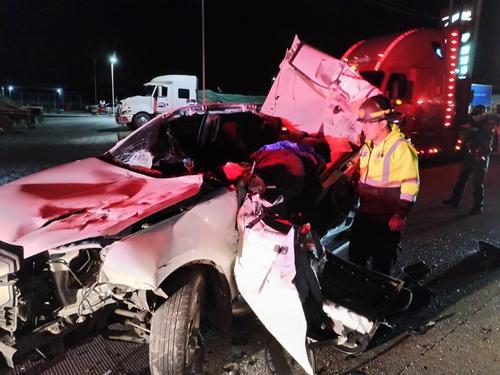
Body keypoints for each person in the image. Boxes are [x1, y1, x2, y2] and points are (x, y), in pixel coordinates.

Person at [348, 95, 420, 275]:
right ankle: (359, 297)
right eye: (363, 123)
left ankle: (380, 300)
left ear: (382, 123)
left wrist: (400, 214)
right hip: (365, 212)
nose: (364, 127)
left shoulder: (400, 147)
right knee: (356, 258)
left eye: (368, 123)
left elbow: (410, 185)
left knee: (382, 264)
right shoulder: (368, 146)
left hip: (387, 218)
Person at [443, 104, 498, 214]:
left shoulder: (488, 125)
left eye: (478, 114)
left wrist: (480, 151)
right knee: (462, 177)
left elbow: (488, 142)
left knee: (477, 182)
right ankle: (455, 199)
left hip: (480, 155)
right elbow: (466, 135)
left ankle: (478, 206)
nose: (476, 117)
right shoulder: (474, 123)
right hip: (471, 153)